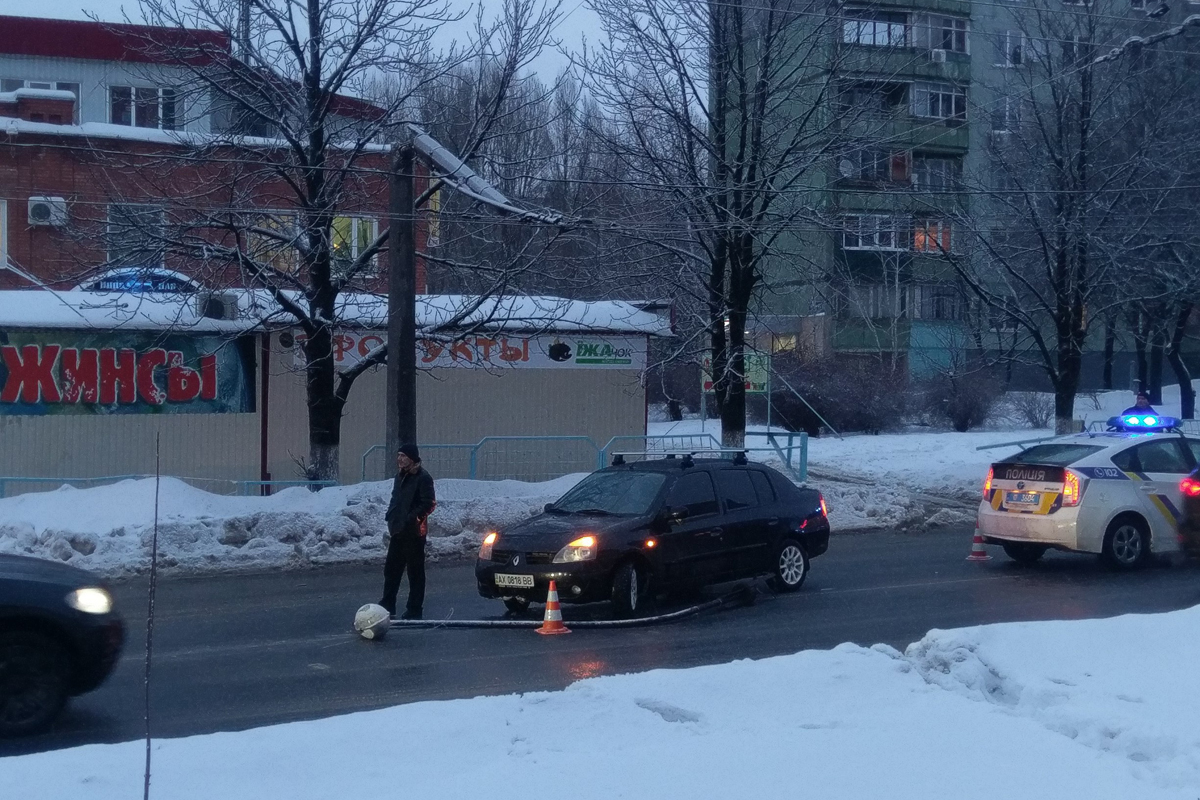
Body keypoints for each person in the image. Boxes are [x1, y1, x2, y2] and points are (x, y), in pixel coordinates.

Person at [379, 444, 436, 619]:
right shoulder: (400, 476)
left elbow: (429, 503)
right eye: (399, 455)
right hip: (398, 530)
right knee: (391, 569)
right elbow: (395, 499)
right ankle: (388, 605)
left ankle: (414, 609)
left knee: (415, 572)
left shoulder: (423, 477)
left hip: (414, 533)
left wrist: (411, 518)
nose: (400, 459)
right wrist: (392, 516)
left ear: (412, 458)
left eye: (403, 456)